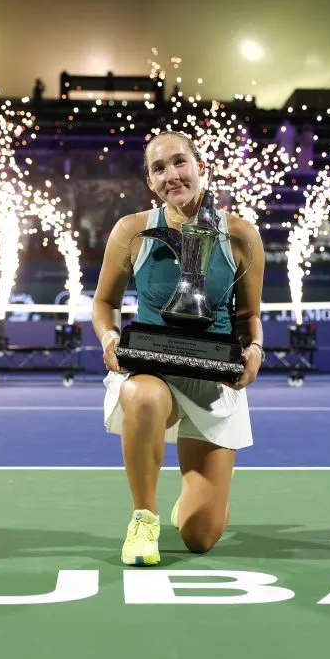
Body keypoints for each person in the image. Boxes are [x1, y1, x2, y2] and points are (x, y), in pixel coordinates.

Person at [92, 131, 265, 567]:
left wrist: (257, 349)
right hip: (154, 365)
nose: (172, 174)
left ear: (200, 167)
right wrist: (110, 339)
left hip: (213, 375)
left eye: (179, 162)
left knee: (200, 536)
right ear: (150, 182)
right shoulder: (131, 231)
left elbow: (249, 317)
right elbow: (104, 304)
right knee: (142, 395)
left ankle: (201, 502)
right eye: (159, 168)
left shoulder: (242, 235)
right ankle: (144, 518)